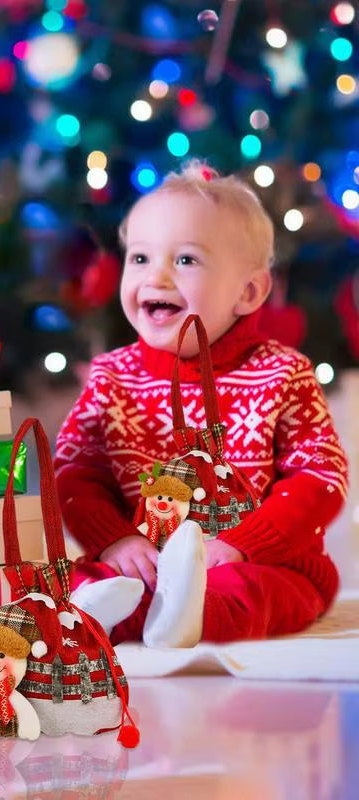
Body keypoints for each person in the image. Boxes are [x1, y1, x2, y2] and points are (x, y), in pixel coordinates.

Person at [56, 160, 348, 648]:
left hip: (259, 563)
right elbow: (75, 471)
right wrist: (116, 538)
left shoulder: (282, 374)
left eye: (186, 260)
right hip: (143, 556)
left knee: (251, 595)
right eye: (141, 259)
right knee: (88, 580)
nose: (157, 277)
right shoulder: (112, 377)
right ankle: (102, 615)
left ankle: (194, 615)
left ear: (249, 291)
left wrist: (242, 543)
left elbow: (319, 480)